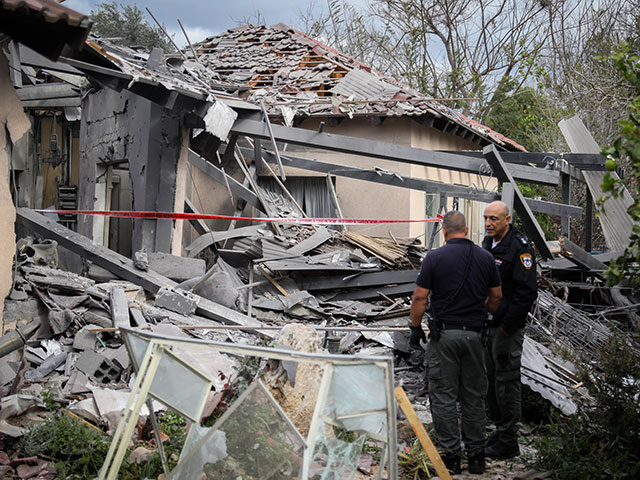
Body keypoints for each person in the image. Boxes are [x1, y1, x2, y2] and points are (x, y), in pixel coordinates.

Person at [410, 211, 502, 475]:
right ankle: (476, 457)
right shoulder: (485, 258)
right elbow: (496, 296)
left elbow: (419, 298)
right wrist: (482, 313)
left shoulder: (435, 258)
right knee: (474, 396)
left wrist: (415, 328)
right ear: (467, 228)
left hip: (444, 336)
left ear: (444, 230)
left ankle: (450, 457)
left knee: (444, 396)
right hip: (475, 336)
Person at [482, 201, 538, 460]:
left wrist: (507, 327)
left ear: (507, 219)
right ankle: (499, 431)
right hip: (490, 325)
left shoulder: (520, 248)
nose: (488, 223)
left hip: (507, 328)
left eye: (494, 219)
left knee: (506, 382)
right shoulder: (488, 243)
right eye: (486, 218)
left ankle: (509, 440)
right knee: (492, 381)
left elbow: (527, 293)